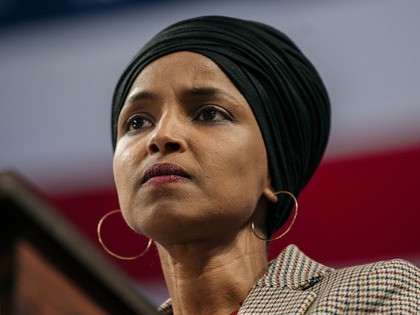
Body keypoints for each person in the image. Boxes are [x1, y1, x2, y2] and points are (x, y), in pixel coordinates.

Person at [102, 16, 420, 314]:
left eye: (209, 113)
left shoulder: (374, 296)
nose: (161, 136)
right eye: (137, 122)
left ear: (272, 167)